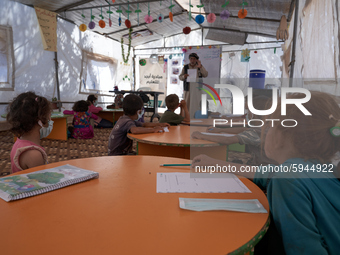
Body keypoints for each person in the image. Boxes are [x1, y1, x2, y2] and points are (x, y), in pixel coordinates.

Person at [192, 91, 340, 254]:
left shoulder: (287, 179)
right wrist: (215, 163)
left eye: (269, 126)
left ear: (283, 136)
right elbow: (266, 173)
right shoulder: (319, 167)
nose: (265, 132)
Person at [7, 92, 52, 173]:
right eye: (49, 116)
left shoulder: (18, 143)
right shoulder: (34, 154)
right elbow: (42, 182)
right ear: (41, 120)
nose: (50, 120)